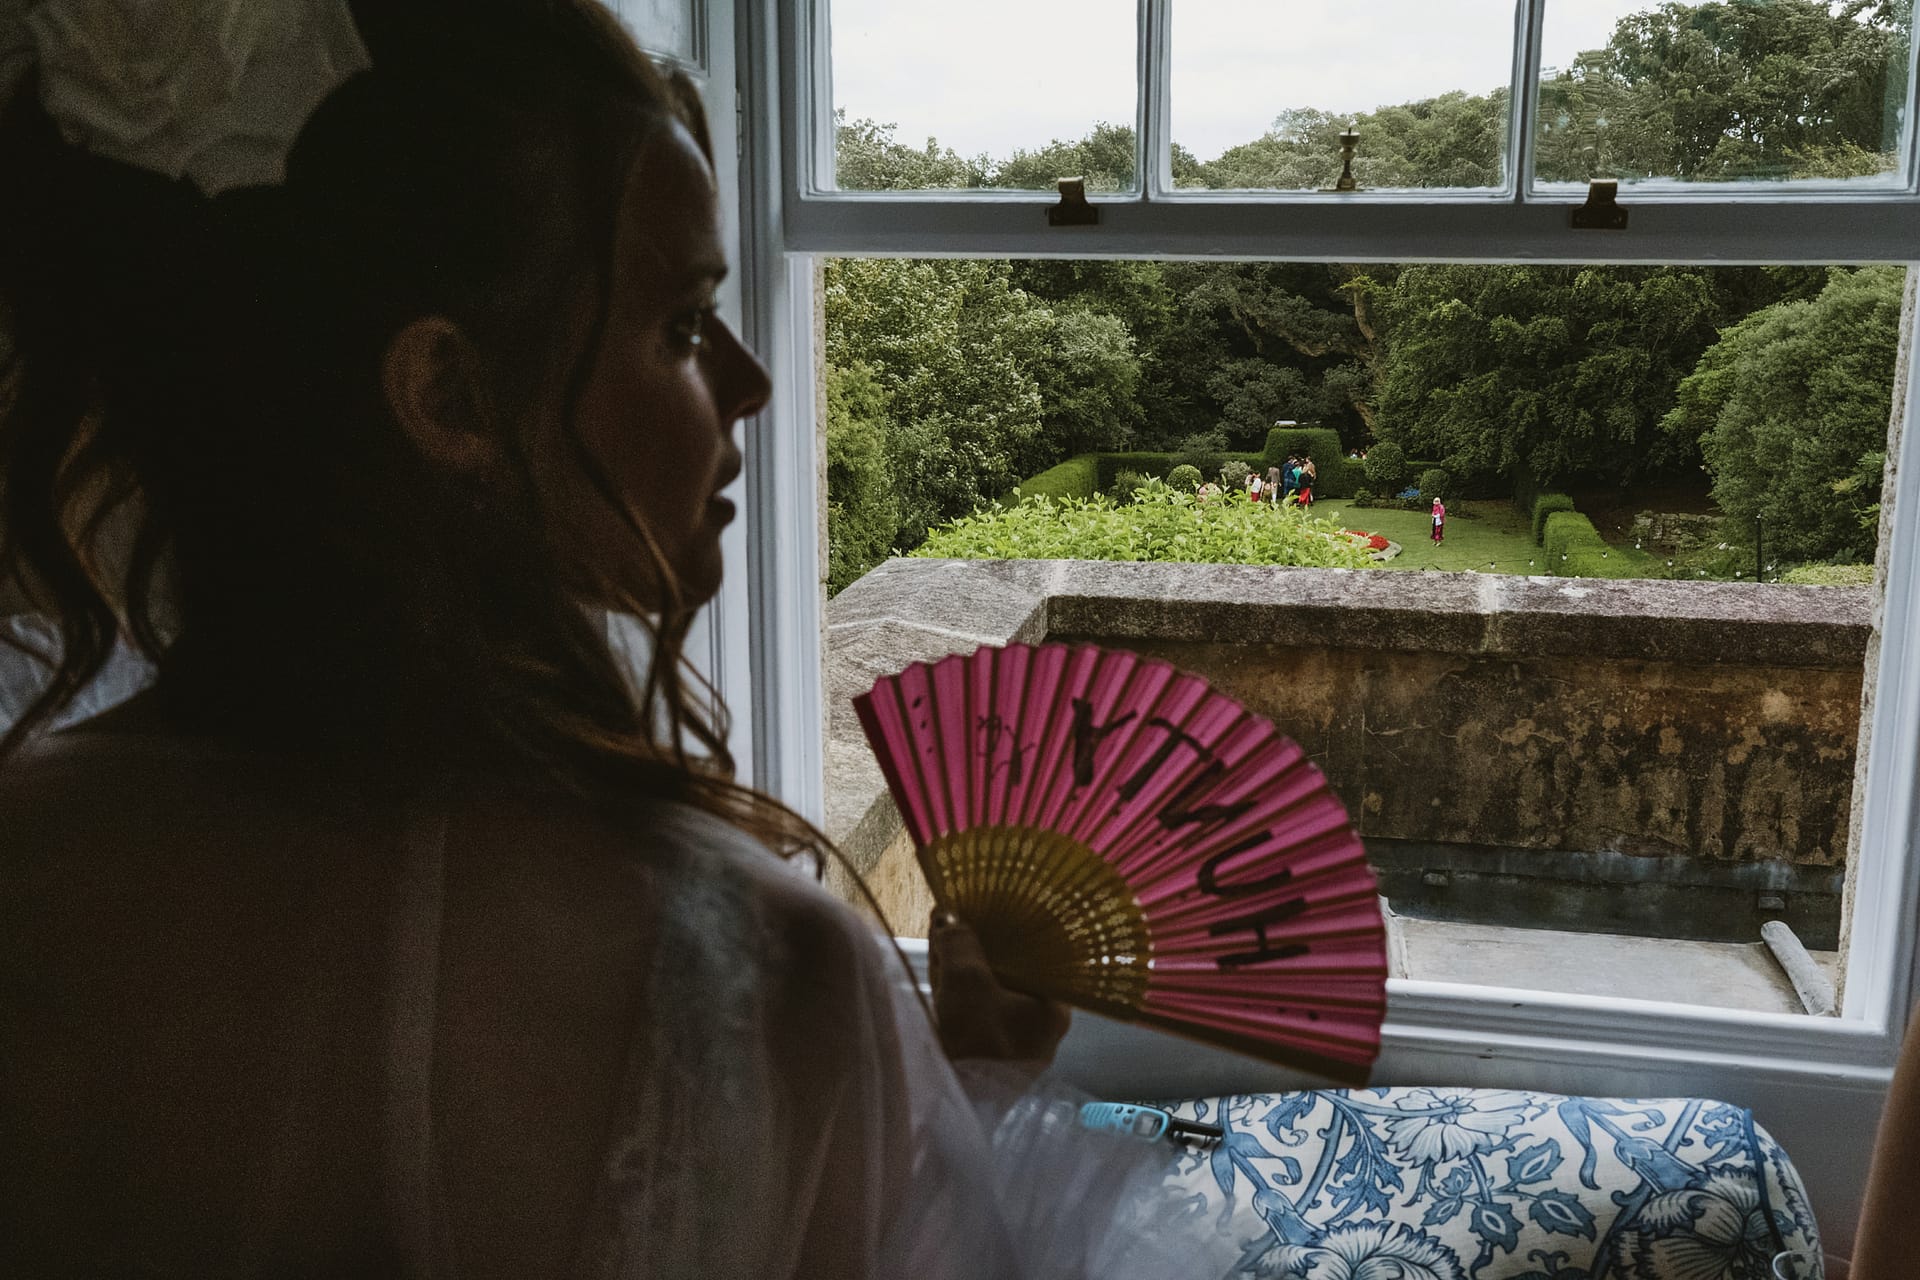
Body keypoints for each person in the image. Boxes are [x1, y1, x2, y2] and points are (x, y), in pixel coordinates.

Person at [0, 3, 1229, 1275]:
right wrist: (969, 1090)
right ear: (450, 395)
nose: (750, 383)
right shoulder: (753, 978)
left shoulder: (27, 862)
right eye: (685, 327)